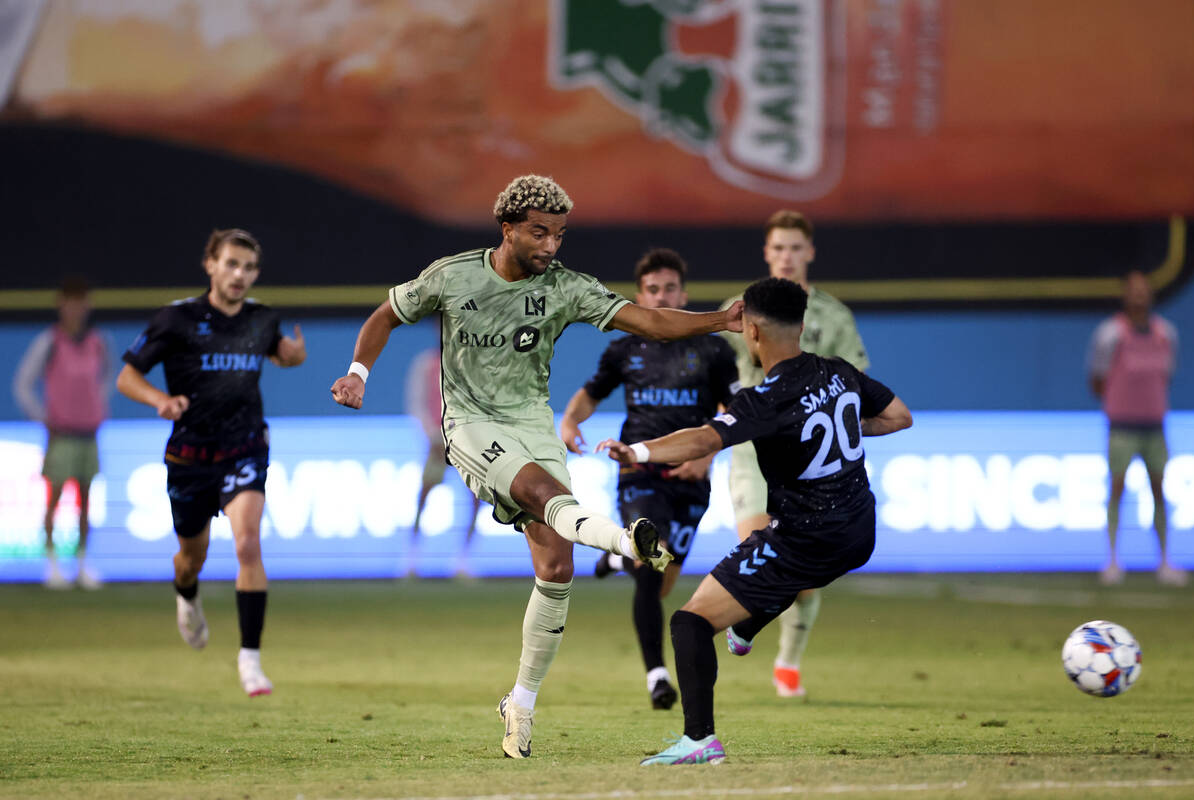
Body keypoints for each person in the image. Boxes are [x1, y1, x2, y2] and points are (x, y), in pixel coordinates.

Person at [329, 175, 744, 759]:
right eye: (539, 232)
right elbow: (384, 317)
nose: (551, 245)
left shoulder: (568, 288)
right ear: (509, 229)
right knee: (543, 492)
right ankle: (626, 542)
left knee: (556, 565)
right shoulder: (451, 276)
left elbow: (648, 321)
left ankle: (520, 703)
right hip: (470, 424)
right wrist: (358, 373)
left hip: (531, 423)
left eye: (560, 234)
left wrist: (719, 320)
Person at [597, 277, 911, 764]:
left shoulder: (765, 400)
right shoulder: (839, 372)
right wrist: (845, 423)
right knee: (773, 562)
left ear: (753, 334)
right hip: (860, 531)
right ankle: (749, 625)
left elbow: (703, 440)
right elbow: (899, 417)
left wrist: (637, 450)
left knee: (690, 622)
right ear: (803, 326)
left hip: (804, 538)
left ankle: (700, 741)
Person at [116, 229, 306, 697]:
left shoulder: (262, 319)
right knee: (190, 558)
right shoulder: (176, 319)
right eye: (231, 264)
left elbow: (281, 352)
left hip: (244, 448)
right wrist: (159, 399)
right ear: (211, 265)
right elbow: (127, 376)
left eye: (248, 267)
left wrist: (293, 356)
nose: (239, 275)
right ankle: (186, 593)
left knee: (247, 544)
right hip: (189, 456)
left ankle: (250, 661)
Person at [560, 248, 738, 710]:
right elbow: (590, 393)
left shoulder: (714, 348)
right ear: (640, 295)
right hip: (637, 471)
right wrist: (569, 422)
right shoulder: (624, 346)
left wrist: (709, 455)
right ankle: (657, 677)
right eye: (653, 290)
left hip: (692, 474)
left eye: (670, 288)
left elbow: (736, 412)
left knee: (659, 578)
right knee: (648, 567)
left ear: (684, 292)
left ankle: (617, 560)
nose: (662, 296)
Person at [718, 209, 870, 699]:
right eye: (778, 247)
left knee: (804, 576)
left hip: (810, 459)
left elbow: (856, 384)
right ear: (767, 253)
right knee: (761, 550)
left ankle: (788, 660)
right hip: (751, 453)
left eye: (794, 248)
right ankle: (743, 628)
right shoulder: (738, 311)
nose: (786, 256)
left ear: (809, 253)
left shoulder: (834, 318)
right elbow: (716, 377)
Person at [13, 276, 113, 590]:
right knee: (54, 500)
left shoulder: (98, 342)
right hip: (61, 434)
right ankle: (52, 564)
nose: (76, 308)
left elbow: (108, 378)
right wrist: (44, 418)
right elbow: (23, 384)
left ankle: (82, 564)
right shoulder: (50, 341)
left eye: (81, 302)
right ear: (61, 304)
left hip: (89, 433)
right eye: (70, 302)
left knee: (87, 500)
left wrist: (97, 408)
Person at [1087, 271, 1185, 586]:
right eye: (1134, 290)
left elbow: (1166, 375)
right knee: (1117, 489)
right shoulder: (1110, 334)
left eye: (1144, 290)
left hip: (1155, 425)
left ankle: (1165, 562)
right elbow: (1097, 379)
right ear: (1125, 295)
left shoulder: (1166, 333)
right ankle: (1113, 561)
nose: (1139, 296)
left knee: (1159, 490)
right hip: (1122, 426)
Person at [405, 341, 481, 577]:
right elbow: (416, 401)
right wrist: (432, 435)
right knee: (424, 494)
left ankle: (462, 560)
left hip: (466, 441)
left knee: (476, 498)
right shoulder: (426, 364)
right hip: (437, 441)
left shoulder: (470, 364)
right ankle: (412, 558)